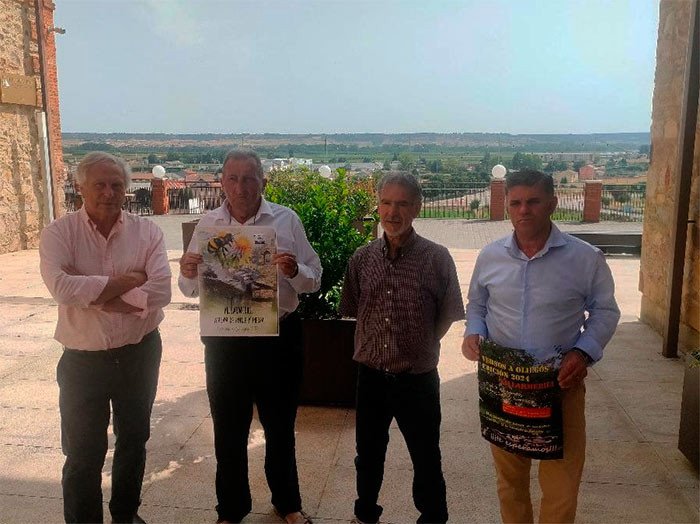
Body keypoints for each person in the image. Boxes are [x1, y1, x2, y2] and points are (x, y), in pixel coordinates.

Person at [462, 169, 621, 523]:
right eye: (516, 202)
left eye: (533, 201)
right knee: (510, 482)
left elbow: (605, 311)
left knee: (561, 487)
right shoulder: (490, 256)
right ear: (506, 206)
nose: (524, 210)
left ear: (552, 203)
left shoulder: (584, 258)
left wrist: (583, 352)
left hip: (559, 386)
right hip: (504, 388)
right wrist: (473, 331)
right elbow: (477, 304)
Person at [178, 150, 321, 524]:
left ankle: (287, 503)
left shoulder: (286, 220)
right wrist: (189, 271)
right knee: (228, 429)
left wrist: (293, 269)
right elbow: (189, 290)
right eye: (233, 178)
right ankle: (230, 510)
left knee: (279, 427)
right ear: (222, 182)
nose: (241, 186)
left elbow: (315, 276)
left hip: (278, 339)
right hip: (225, 342)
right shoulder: (207, 226)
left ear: (264, 181)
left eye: (250, 178)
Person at [39, 152, 172, 523]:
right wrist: (129, 282)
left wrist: (96, 296)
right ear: (81, 187)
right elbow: (63, 289)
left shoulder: (148, 232)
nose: (109, 192)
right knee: (83, 453)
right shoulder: (58, 234)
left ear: (127, 188)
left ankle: (125, 516)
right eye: (99, 184)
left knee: (133, 442)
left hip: (139, 354)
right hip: (83, 360)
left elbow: (161, 292)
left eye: (117, 184)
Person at [340, 172, 464, 524]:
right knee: (368, 454)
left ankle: (433, 516)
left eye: (402, 204)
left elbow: (447, 314)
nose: (392, 212)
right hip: (372, 377)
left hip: (417, 379)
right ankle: (365, 512)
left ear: (417, 208)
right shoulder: (362, 259)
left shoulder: (437, 258)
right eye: (386, 203)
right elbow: (353, 309)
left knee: (426, 455)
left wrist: (421, 344)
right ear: (377, 205)